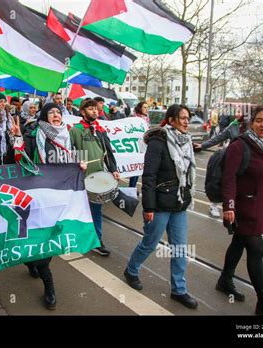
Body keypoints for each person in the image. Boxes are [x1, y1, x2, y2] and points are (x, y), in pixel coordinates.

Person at [12, 103, 87, 309]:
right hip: (39, 196)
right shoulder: (34, 135)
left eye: (58, 112)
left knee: (53, 237)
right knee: (43, 242)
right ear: (44, 117)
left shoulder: (69, 135)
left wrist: (81, 166)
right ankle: (49, 287)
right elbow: (21, 162)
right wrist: (18, 139)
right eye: (51, 112)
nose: (56, 115)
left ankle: (31, 261)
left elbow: (77, 158)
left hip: (62, 197)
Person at [124, 104, 198, 309]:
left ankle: (179, 290)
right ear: (171, 120)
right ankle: (131, 270)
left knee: (180, 249)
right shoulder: (158, 142)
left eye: (188, 118)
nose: (186, 122)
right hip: (159, 204)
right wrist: (148, 207)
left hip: (179, 203)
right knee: (150, 243)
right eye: (182, 118)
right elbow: (148, 177)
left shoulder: (187, 141)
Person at [220, 105, 263, 315]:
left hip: (260, 206)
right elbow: (228, 178)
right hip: (242, 207)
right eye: (259, 120)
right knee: (257, 249)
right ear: (251, 123)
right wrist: (228, 206)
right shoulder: (240, 145)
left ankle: (225, 280)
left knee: (238, 243)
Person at [70, 99, 120, 256]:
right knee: (78, 210)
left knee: (96, 209)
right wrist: (76, 163)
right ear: (83, 112)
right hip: (79, 177)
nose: (95, 111)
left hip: (97, 177)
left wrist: (113, 169)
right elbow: (69, 151)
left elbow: (108, 152)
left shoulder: (100, 130)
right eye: (90, 109)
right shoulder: (75, 130)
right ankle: (77, 237)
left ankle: (97, 241)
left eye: (96, 109)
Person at [194, 106, 247, 218]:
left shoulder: (251, 126)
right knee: (224, 180)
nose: (237, 114)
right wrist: (203, 145)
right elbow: (219, 138)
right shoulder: (233, 125)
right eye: (236, 111)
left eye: (239, 112)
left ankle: (235, 206)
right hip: (232, 158)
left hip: (246, 160)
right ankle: (214, 204)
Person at [129, 102, 151, 188]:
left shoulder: (146, 119)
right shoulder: (135, 119)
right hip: (137, 146)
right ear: (140, 108)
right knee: (136, 168)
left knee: (142, 169)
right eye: (145, 107)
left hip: (145, 146)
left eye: (147, 107)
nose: (147, 109)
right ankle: (132, 188)